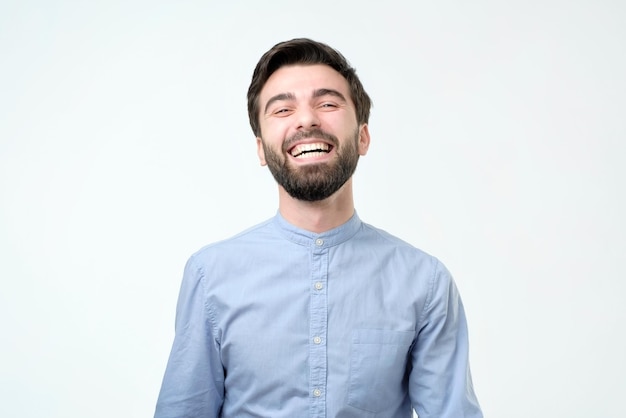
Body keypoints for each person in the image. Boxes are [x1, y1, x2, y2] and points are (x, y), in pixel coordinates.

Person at [154, 38, 483, 418]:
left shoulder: (425, 283)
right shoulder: (210, 275)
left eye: (327, 104)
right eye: (283, 109)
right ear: (261, 149)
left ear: (363, 136)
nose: (307, 120)